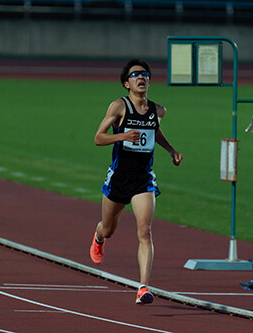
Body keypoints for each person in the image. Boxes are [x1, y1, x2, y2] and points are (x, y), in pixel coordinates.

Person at [90, 59, 183, 304]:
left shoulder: (158, 111)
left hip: (144, 179)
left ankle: (143, 287)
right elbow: (98, 138)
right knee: (109, 229)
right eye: (135, 75)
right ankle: (99, 237)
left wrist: (171, 150)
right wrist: (122, 135)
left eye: (144, 74)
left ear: (149, 81)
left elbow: (154, 131)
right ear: (126, 83)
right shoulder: (119, 107)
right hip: (119, 178)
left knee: (145, 231)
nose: (140, 78)